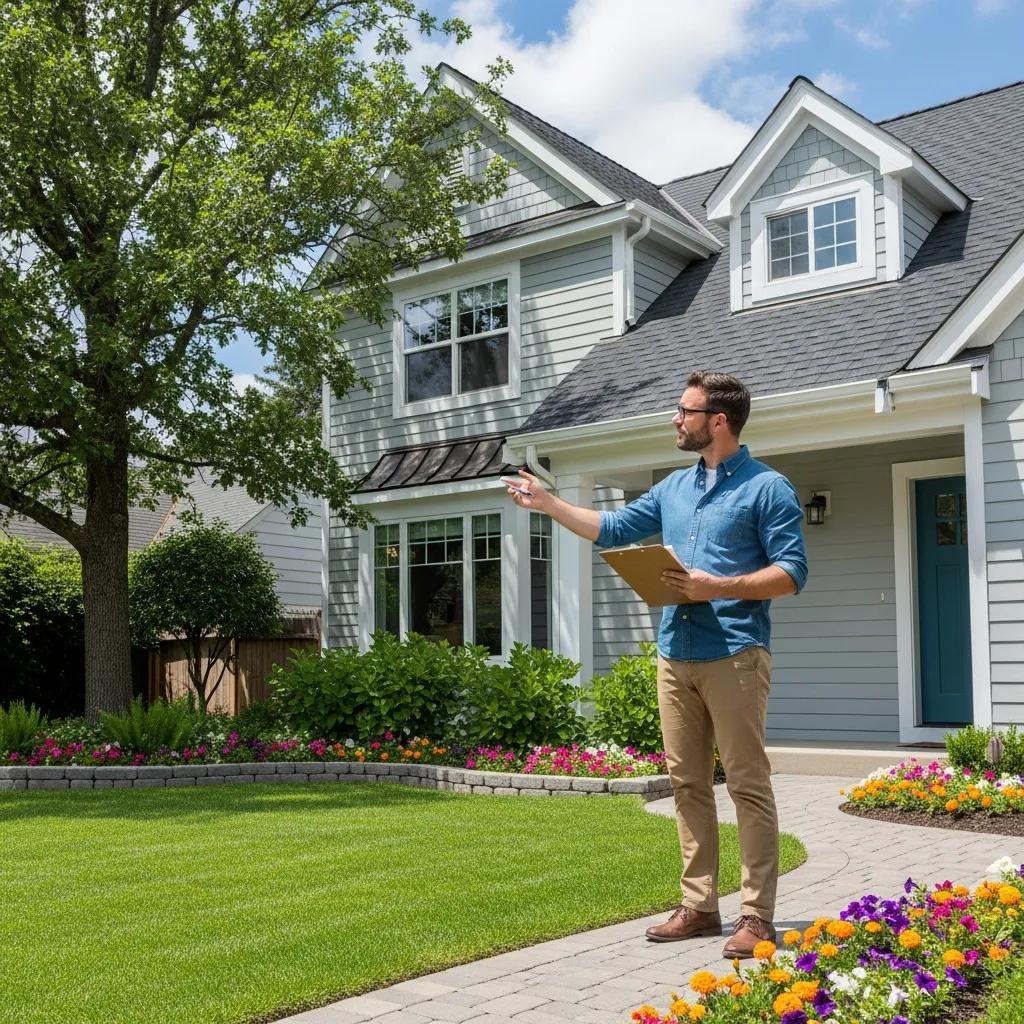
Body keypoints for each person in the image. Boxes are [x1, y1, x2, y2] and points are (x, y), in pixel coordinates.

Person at [504, 370, 807, 959]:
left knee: (747, 783)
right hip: (676, 653)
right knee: (687, 782)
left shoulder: (769, 488)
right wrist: (548, 504)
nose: (676, 418)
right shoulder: (674, 488)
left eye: (684, 411)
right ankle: (699, 906)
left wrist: (715, 585)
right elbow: (613, 529)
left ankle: (757, 916)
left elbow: (792, 572)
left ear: (718, 420)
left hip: (737, 653)